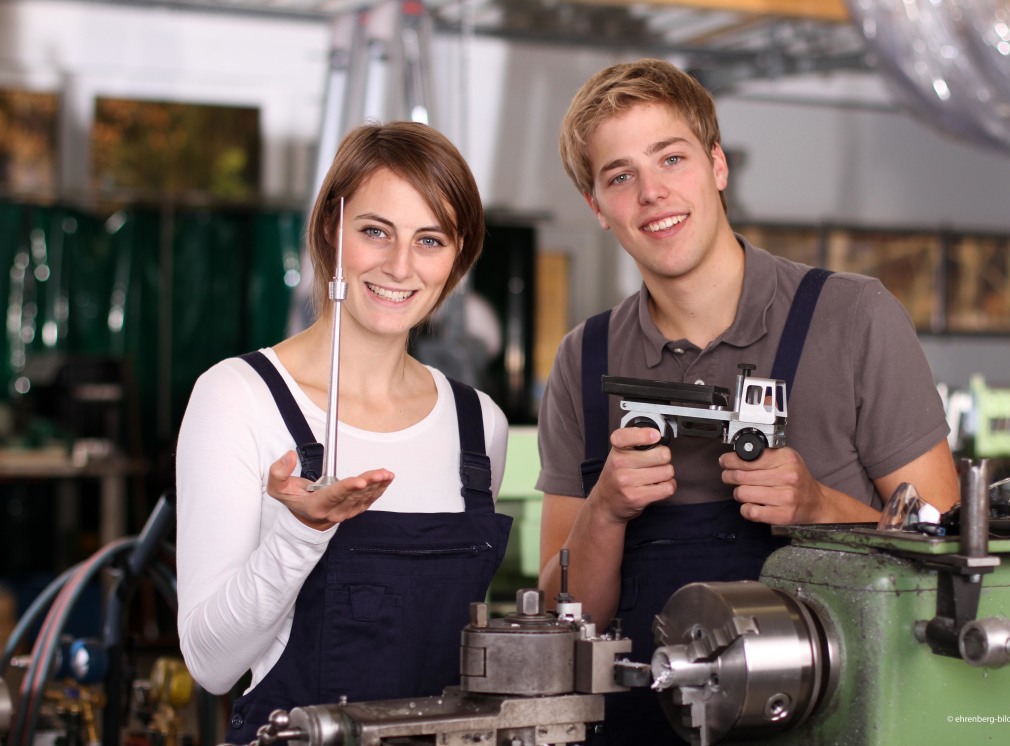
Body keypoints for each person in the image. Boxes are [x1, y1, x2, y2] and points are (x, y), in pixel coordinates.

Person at [535, 58, 960, 744]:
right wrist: (606, 512)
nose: (652, 193)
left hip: (831, 724)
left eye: (671, 158)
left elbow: (946, 562)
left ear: (717, 165)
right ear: (598, 208)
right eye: (620, 176)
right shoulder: (584, 362)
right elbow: (561, 620)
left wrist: (822, 511)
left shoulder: (853, 317)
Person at [175, 121, 512, 743]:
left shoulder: (478, 426)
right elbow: (210, 664)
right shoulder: (238, 397)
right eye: (375, 231)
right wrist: (301, 531)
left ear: (457, 260)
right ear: (332, 230)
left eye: (430, 240)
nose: (400, 266)